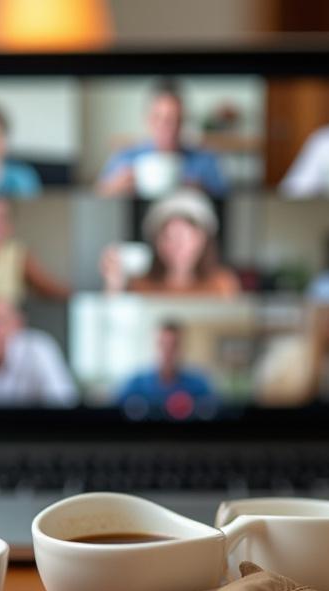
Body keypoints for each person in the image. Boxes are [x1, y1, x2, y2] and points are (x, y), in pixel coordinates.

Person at [97, 81, 227, 197]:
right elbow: (97, 193)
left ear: (183, 120)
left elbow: (225, 199)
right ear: (148, 119)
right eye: (159, 118)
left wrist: (203, 192)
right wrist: (112, 189)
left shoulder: (205, 161)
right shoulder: (125, 158)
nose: (168, 127)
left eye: (175, 119)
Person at [100, 189, 240, 296]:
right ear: (156, 243)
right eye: (167, 238)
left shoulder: (223, 284)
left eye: (183, 238)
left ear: (201, 239)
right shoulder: (139, 285)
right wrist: (113, 285)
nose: (175, 247)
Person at [117, 322, 215, 415]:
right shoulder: (135, 384)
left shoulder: (199, 386)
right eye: (162, 344)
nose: (168, 351)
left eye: (174, 345)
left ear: (183, 348)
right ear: (155, 345)